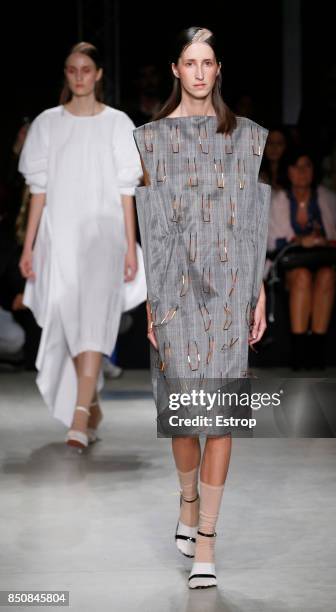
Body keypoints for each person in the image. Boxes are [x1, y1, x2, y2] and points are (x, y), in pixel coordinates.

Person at [133, 27, 270, 589]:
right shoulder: (150, 139)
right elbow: (151, 225)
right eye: (189, 62)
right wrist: (150, 298)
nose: (198, 72)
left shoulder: (247, 136)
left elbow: (255, 213)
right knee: (186, 416)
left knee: (223, 415)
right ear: (175, 69)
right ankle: (187, 500)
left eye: (207, 63)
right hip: (175, 287)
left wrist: (259, 288)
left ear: (218, 70)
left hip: (233, 285)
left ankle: (207, 542)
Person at [18, 42, 142, 448]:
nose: (79, 76)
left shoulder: (119, 123)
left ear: (99, 73)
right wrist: (28, 246)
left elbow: (128, 190)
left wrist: (130, 244)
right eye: (72, 69)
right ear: (66, 74)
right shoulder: (47, 124)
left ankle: (79, 416)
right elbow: (39, 189)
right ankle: (90, 404)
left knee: (93, 318)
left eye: (86, 69)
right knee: (68, 320)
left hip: (104, 234)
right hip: (61, 234)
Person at [268, 147, 336, 368]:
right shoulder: (278, 200)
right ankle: (299, 349)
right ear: (288, 171)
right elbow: (272, 242)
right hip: (290, 264)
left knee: (326, 277)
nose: (302, 172)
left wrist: (323, 240)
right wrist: (300, 241)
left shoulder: (327, 197)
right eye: (296, 166)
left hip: (323, 260)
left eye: (307, 166)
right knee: (302, 276)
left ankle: (317, 349)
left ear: (314, 170)